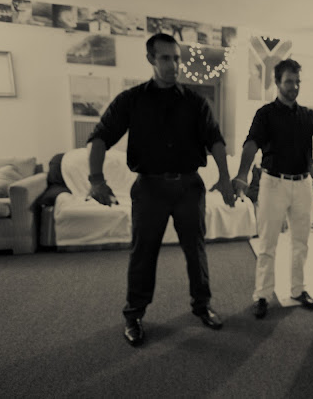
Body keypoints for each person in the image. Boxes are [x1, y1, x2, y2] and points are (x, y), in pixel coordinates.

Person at [87, 33, 236, 347]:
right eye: (166, 58)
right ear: (151, 59)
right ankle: (134, 315)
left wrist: (224, 178)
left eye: (177, 58)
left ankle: (202, 305)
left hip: (189, 188)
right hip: (149, 189)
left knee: (196, 251)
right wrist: (96, 179)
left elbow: (216, 140)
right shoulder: (131, 100)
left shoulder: (196, 102)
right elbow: (101, 136)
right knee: (143, 253)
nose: (173, 65)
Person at [232, 59, 313, 319]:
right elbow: (251, 143)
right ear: (277, 82)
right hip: (273, 184)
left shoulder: (308, 115)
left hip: (303, 185)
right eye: (289, 81)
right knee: (268, 243)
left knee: (301, 243)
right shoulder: (265, 114)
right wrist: (242, 174)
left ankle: (298, 289)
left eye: (298, 81)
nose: (295, 86)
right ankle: (263, 295)